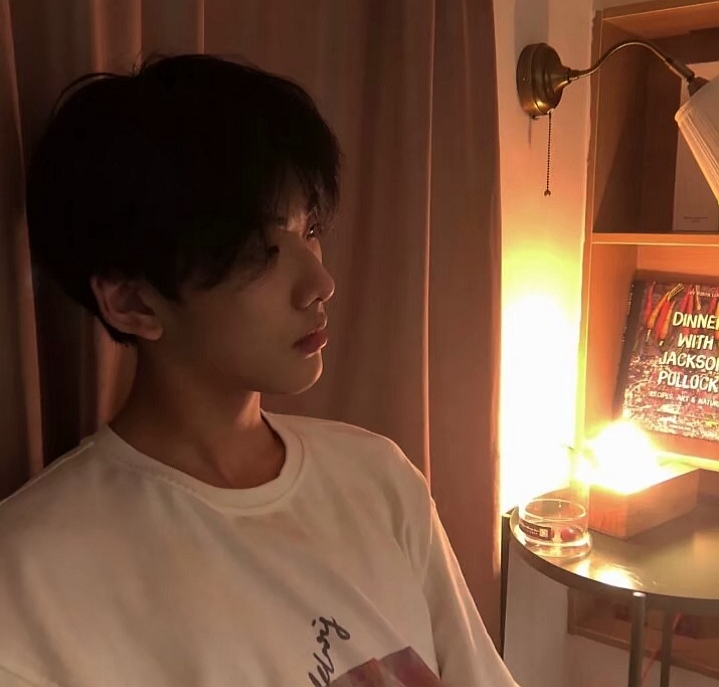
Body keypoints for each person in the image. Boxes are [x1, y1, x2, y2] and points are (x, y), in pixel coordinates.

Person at [0, 54, 518, 687]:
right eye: (261, 250)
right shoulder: (30, 579)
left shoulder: (378, 480)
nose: (320, 281)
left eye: (311, 229)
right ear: (133, 302)